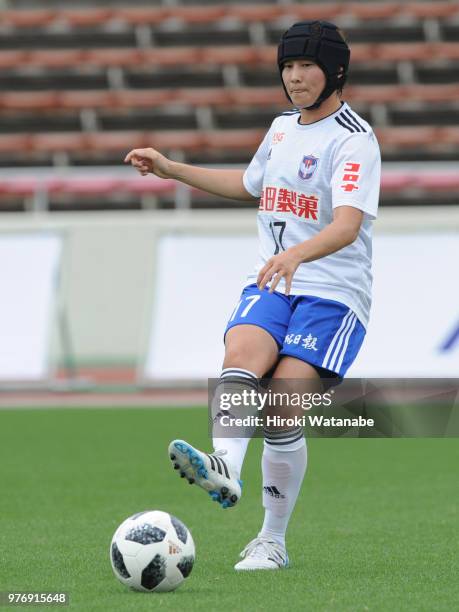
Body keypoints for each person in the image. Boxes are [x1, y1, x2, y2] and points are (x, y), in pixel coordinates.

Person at [125, 20, 381, 571]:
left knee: (285, 399)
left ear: (335, 71)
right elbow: (248, 186)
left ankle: (272, 540)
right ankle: (225, 465)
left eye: (306, 66)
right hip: (272, 280)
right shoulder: (282, 128)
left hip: (332, 295)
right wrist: (172, 169)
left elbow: (347, 224)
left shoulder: (355, 138)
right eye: (287, 67)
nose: (295, 77)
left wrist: (295, 255)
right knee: (240, 356)